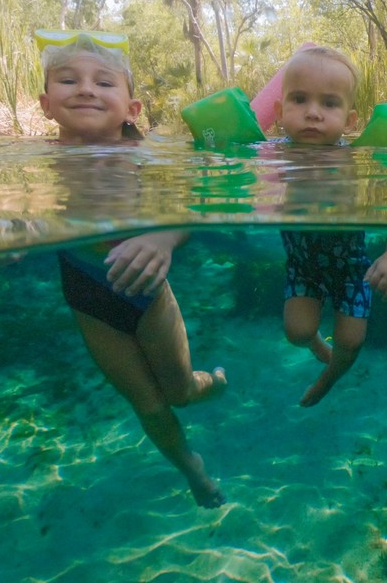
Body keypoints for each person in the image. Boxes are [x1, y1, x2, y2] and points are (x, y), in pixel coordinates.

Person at [36, 29, 228, 507]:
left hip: (147, 292)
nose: (85, 88)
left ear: (132, 109)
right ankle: (192, 470)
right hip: (87, 298)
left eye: (103, 83)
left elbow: (201, 203)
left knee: (180, 392)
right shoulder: (35, 161)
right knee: (148, 403)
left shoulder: (147, 155)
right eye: (68, 80)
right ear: (44, 103)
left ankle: (214, 382)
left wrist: (163, 236)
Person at [272, 45, 387, 407]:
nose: (313, 113)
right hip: (302, 264)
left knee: (351, 341)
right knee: (297, 332)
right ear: (279, 111)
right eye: (300, 100)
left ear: (351, 121)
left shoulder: (357, 160)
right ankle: (318, 344)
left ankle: (328, 379)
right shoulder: (270, 155)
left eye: (330, 104)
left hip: (352, 269)